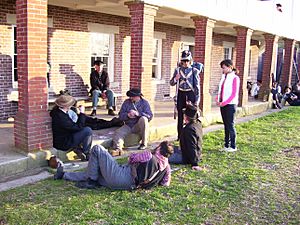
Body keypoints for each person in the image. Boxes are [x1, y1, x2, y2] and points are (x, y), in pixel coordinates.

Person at [53, 141, 174, 190]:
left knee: (97, 149)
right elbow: (165, 183)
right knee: (94, 172)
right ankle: (63, 175)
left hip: (122, 176)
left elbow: (131, 158)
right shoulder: (166, 167)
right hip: (129, 185)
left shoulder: (149, 156)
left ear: (159, 148)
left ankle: (91, 181)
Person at [110, 88, 153, 156]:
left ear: (137, 96)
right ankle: (118, 149)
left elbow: (150, 116)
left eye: (132, 96)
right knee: (118, 132)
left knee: (144, 119)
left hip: (139, 125)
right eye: (130, 96)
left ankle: (144, 143)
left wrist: (138, 114)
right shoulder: (126, 102)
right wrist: (128, 115)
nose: (131, 98)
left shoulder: (145, 103)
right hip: (129, 125)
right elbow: (120, 115)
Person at [50, 95, 93, 161]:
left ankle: (78, 149)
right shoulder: (61, 117)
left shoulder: (57, 111)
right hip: (63, 143)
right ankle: (86, 153)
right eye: (70, 104)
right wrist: (82, 113)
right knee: (88, 130)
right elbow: (78, 127)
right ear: (66, 106)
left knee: (84, 130)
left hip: (62, 138)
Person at [170, 50, 201, 140]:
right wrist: (176, 79)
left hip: (190, 94)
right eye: (184, 61)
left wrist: (197, 101)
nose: (186, 63)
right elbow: (171, 83)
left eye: (187, 61)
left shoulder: (194, 71)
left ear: (190, 61)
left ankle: (192, 134)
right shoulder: (178, 70)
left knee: (191, 116)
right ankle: (179, 136)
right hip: (181, 94)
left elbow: (197, 87)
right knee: (180, 115)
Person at [168, 104, 203, 171]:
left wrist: (194, 164)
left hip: (186, 157)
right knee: (166, 147)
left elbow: (192, 146)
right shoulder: (197, 123)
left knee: (162, 155)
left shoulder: (189, 129)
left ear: (186, 117)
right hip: (186, 151)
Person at [216, 59, 240, 152]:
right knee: (226, 125)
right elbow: (220, 90)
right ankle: (226, 145)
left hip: (230, 104)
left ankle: (233, 146)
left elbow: (233, 93)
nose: (223, 70)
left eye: (224, 68)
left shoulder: (235, 78)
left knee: (230, 125)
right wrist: (218, 100)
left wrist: (224, 102)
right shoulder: (223, 77)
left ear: (230, 67)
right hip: (223, 104)